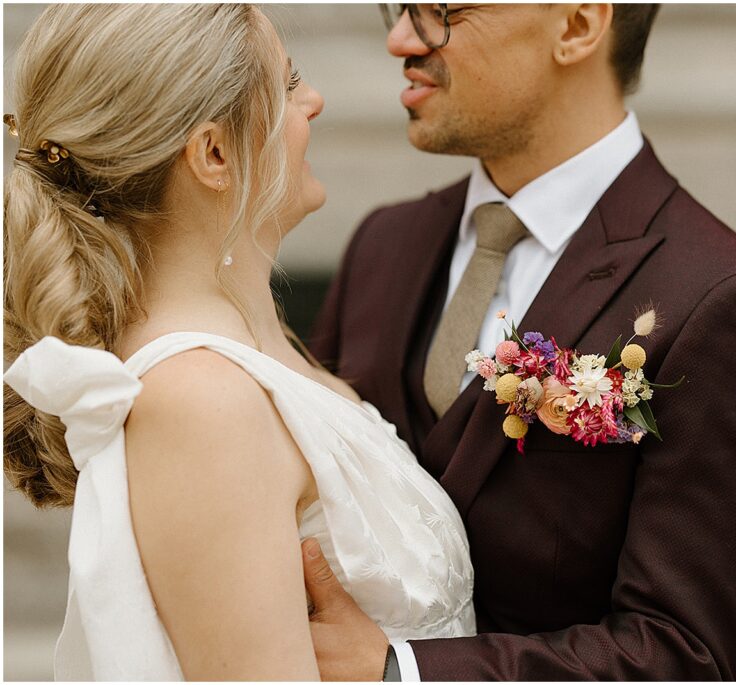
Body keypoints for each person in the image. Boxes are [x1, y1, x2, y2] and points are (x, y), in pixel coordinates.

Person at [306, 3, 736, 680]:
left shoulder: (730, 304)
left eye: (440, 10)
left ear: (578, 25)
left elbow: (681, 654)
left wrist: (400, 672)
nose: (400, 39)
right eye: (398, 7)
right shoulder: (383, 245)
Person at [3, 4, 474, 680]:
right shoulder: (201, 403)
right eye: (287, 84)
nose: (314, 100)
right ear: (214, 153)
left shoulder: (252, 348)